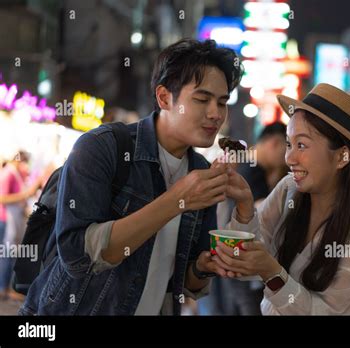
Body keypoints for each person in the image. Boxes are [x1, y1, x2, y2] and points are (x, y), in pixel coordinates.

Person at [19, 39, 252, 315]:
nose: (216, 114)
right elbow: (77, 256)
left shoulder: (201, 172)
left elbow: (186, 283)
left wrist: (202, 267)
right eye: (202, 99)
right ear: (165, 97)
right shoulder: (102, 147)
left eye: (222, 102)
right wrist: (177, 200)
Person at [211, 83, 350, 315]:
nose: (289, 157)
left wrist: (272, 272)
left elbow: (323, 312)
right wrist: (245, 206)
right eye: (288, 144)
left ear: (342, 156)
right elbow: (244, 264)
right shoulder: (288, 190)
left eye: (302, 145)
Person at [198, 122, 288, 315]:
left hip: (234, 258)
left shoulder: (252, 168)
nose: (289, 157)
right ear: (274, 143)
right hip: (241, 260)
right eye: (288, 147)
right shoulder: (252, 169)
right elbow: (259, 213)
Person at [0, 151, 30, 300]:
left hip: (8, 219)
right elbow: (2, 198)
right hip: (4, 218)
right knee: (6, 254)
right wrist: (25, 195)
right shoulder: (9, 173)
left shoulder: (13, 173)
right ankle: (3, 288)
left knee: (8, 253)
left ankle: (5, 288)